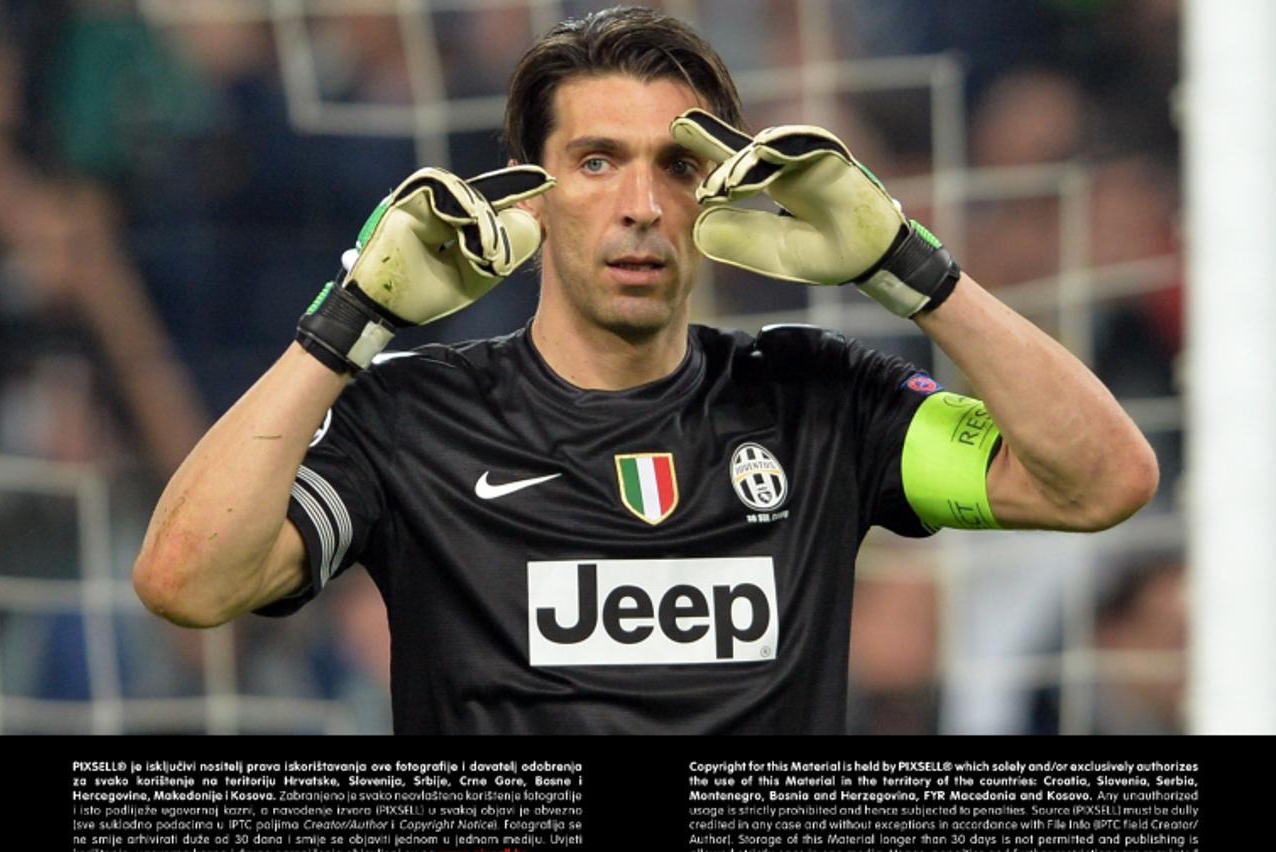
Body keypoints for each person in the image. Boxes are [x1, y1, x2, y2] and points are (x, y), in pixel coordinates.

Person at [132, 6, 1157, 735]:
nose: (637, 204)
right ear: (529, 200)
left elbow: (1098, 480)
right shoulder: (411, 415)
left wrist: (909, 271)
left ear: (719, 197)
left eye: (676, 166)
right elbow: (185, 582)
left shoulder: (819, 399)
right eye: (594, 161)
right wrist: (347, 322)